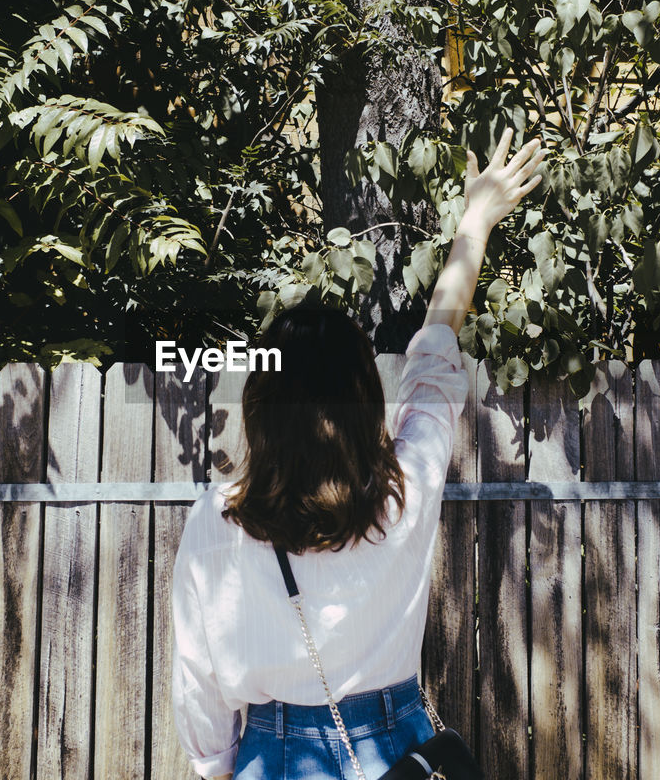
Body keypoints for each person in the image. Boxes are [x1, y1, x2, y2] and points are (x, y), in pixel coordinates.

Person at [172, 128, 546, 779]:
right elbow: (435, 353)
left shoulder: (219, 518)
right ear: (366, 402)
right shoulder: (406, 491)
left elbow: (196, 679)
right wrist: (475, 223)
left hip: (275, 757)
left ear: (263, 407)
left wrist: (218, 770)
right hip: (398, 753)